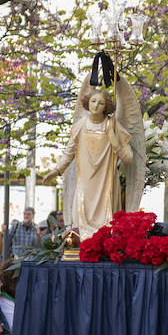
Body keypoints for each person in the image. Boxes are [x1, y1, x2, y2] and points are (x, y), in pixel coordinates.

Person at [42, 89, 135, 240]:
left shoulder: (112, 125)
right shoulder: (80, 126)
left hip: (106, 184)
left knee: (107, 227)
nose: (96, 105)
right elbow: (69, 153)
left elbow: (129, 158)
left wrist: (115, 142)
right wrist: (56, 170)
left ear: (106, 107)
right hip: (85, 184)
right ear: (87, 103)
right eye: (93, 101)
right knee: (80, 229)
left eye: (101, 103)